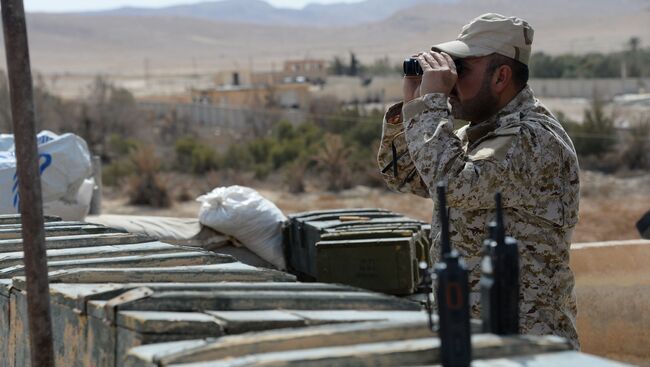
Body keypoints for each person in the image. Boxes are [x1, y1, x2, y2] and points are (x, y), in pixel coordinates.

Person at [377, 13, 580, 348]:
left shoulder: (531, 137)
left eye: (463, 69)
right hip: (477, 335)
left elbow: (454, 185)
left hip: (527, 343)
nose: (451, 80)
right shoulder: (484, 135)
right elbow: (408, 175)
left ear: (501, 76)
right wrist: (413, 106)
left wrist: (430, 108)